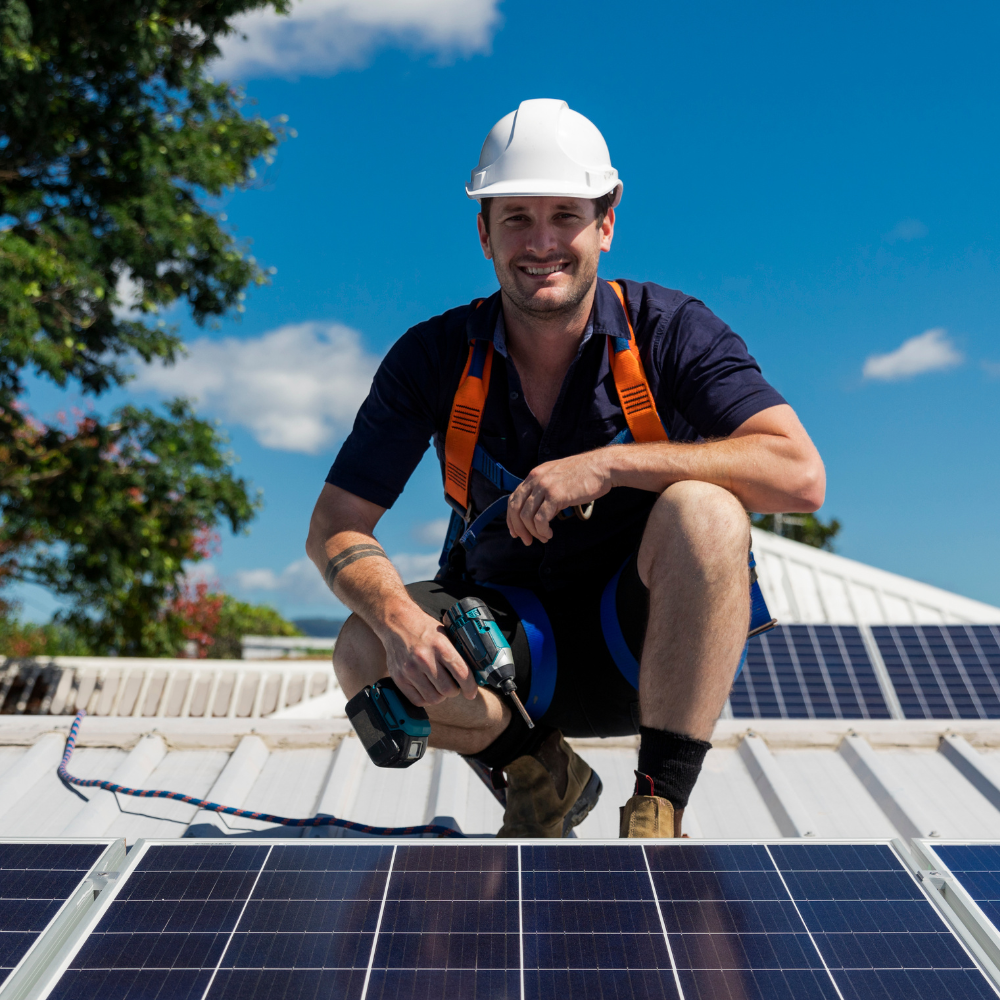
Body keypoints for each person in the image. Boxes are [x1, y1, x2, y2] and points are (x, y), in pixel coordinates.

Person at [306, 99, 824, 838]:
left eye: (565, 216)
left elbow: (800, 474)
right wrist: (397, 623)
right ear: (483, 232)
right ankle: (541, 776)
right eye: (516, 217)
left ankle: (657, 809)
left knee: (707, 512)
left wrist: (609, 467)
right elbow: (334, 525)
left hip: (644, 643)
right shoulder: (433, 357)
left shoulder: (670, 331)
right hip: (515, 666)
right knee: (362, 645)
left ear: (605, 224)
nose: (541, 242)